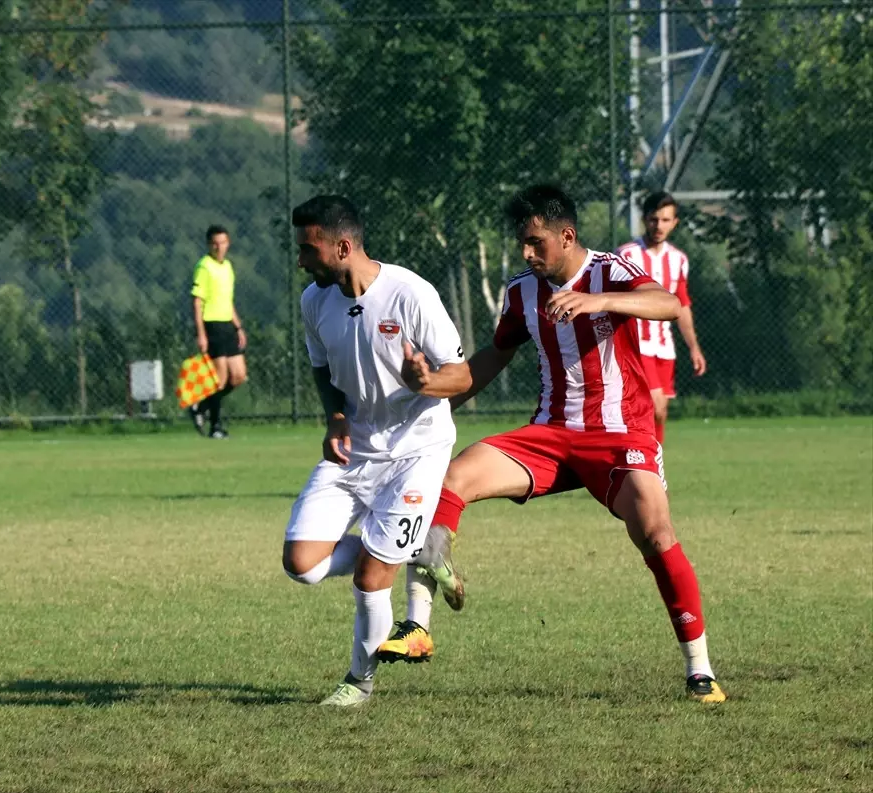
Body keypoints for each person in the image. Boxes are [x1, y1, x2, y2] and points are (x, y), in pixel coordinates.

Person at [396, 185, 725, 703]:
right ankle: (416, 625)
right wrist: (430, 389)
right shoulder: (522, 292)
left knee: (656, 532)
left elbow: (664, 303)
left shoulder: (608, 270)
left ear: (566, 236)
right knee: (452, 477)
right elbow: (490, 360)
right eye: (521, 244)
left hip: (621, 434)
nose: (526, 254)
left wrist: (599, 301)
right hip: (550, 435)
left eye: (534, 243)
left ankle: (699, 670)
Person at [281, 195, 471, 707]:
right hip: (357, 451)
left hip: (417, 450)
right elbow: (322, 369)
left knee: (371, 574)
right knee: (300, 564)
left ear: (343, 246)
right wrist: (336, 416)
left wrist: (427, 379)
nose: (300, 260)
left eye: (307, 249)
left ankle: (358, 681)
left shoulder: (410, 294)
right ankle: (419, 547)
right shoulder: (313, 301)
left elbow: (464, 374)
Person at [615, 192, 707, 445]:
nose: (659, 226)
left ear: (675, 222)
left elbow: (682, 306)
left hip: (663, 347)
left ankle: (651, 468)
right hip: (635, 344)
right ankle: (638, 468)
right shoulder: (627, 255)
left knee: (660, 412)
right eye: (655, 219)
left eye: (666, 220)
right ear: (645, 219)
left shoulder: (678, 260)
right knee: (653, 407)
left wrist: (694, 347)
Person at [188, 225, 247, 439]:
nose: (218, 247)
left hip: (227, 326)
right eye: (214, 243)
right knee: (219, 379)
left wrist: (238, 326)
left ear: (228, 243)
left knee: (238, 376)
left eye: (222, 242)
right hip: (212, 325)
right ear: (208, 244)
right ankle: (216, 427)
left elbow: (227, 300)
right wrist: (201, 333)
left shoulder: (228, 267)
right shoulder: (204, 266)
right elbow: (197, 302)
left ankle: (200, 407)